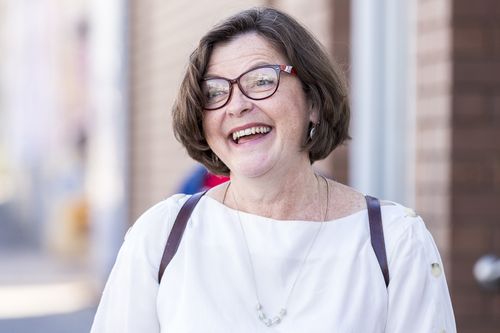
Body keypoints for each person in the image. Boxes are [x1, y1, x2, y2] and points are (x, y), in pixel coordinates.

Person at [91, 7, 456, 332]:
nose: (236, 106)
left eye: (262, 81)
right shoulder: (161, 238)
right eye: (214, 92)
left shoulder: (396, 243)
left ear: (313, 102)